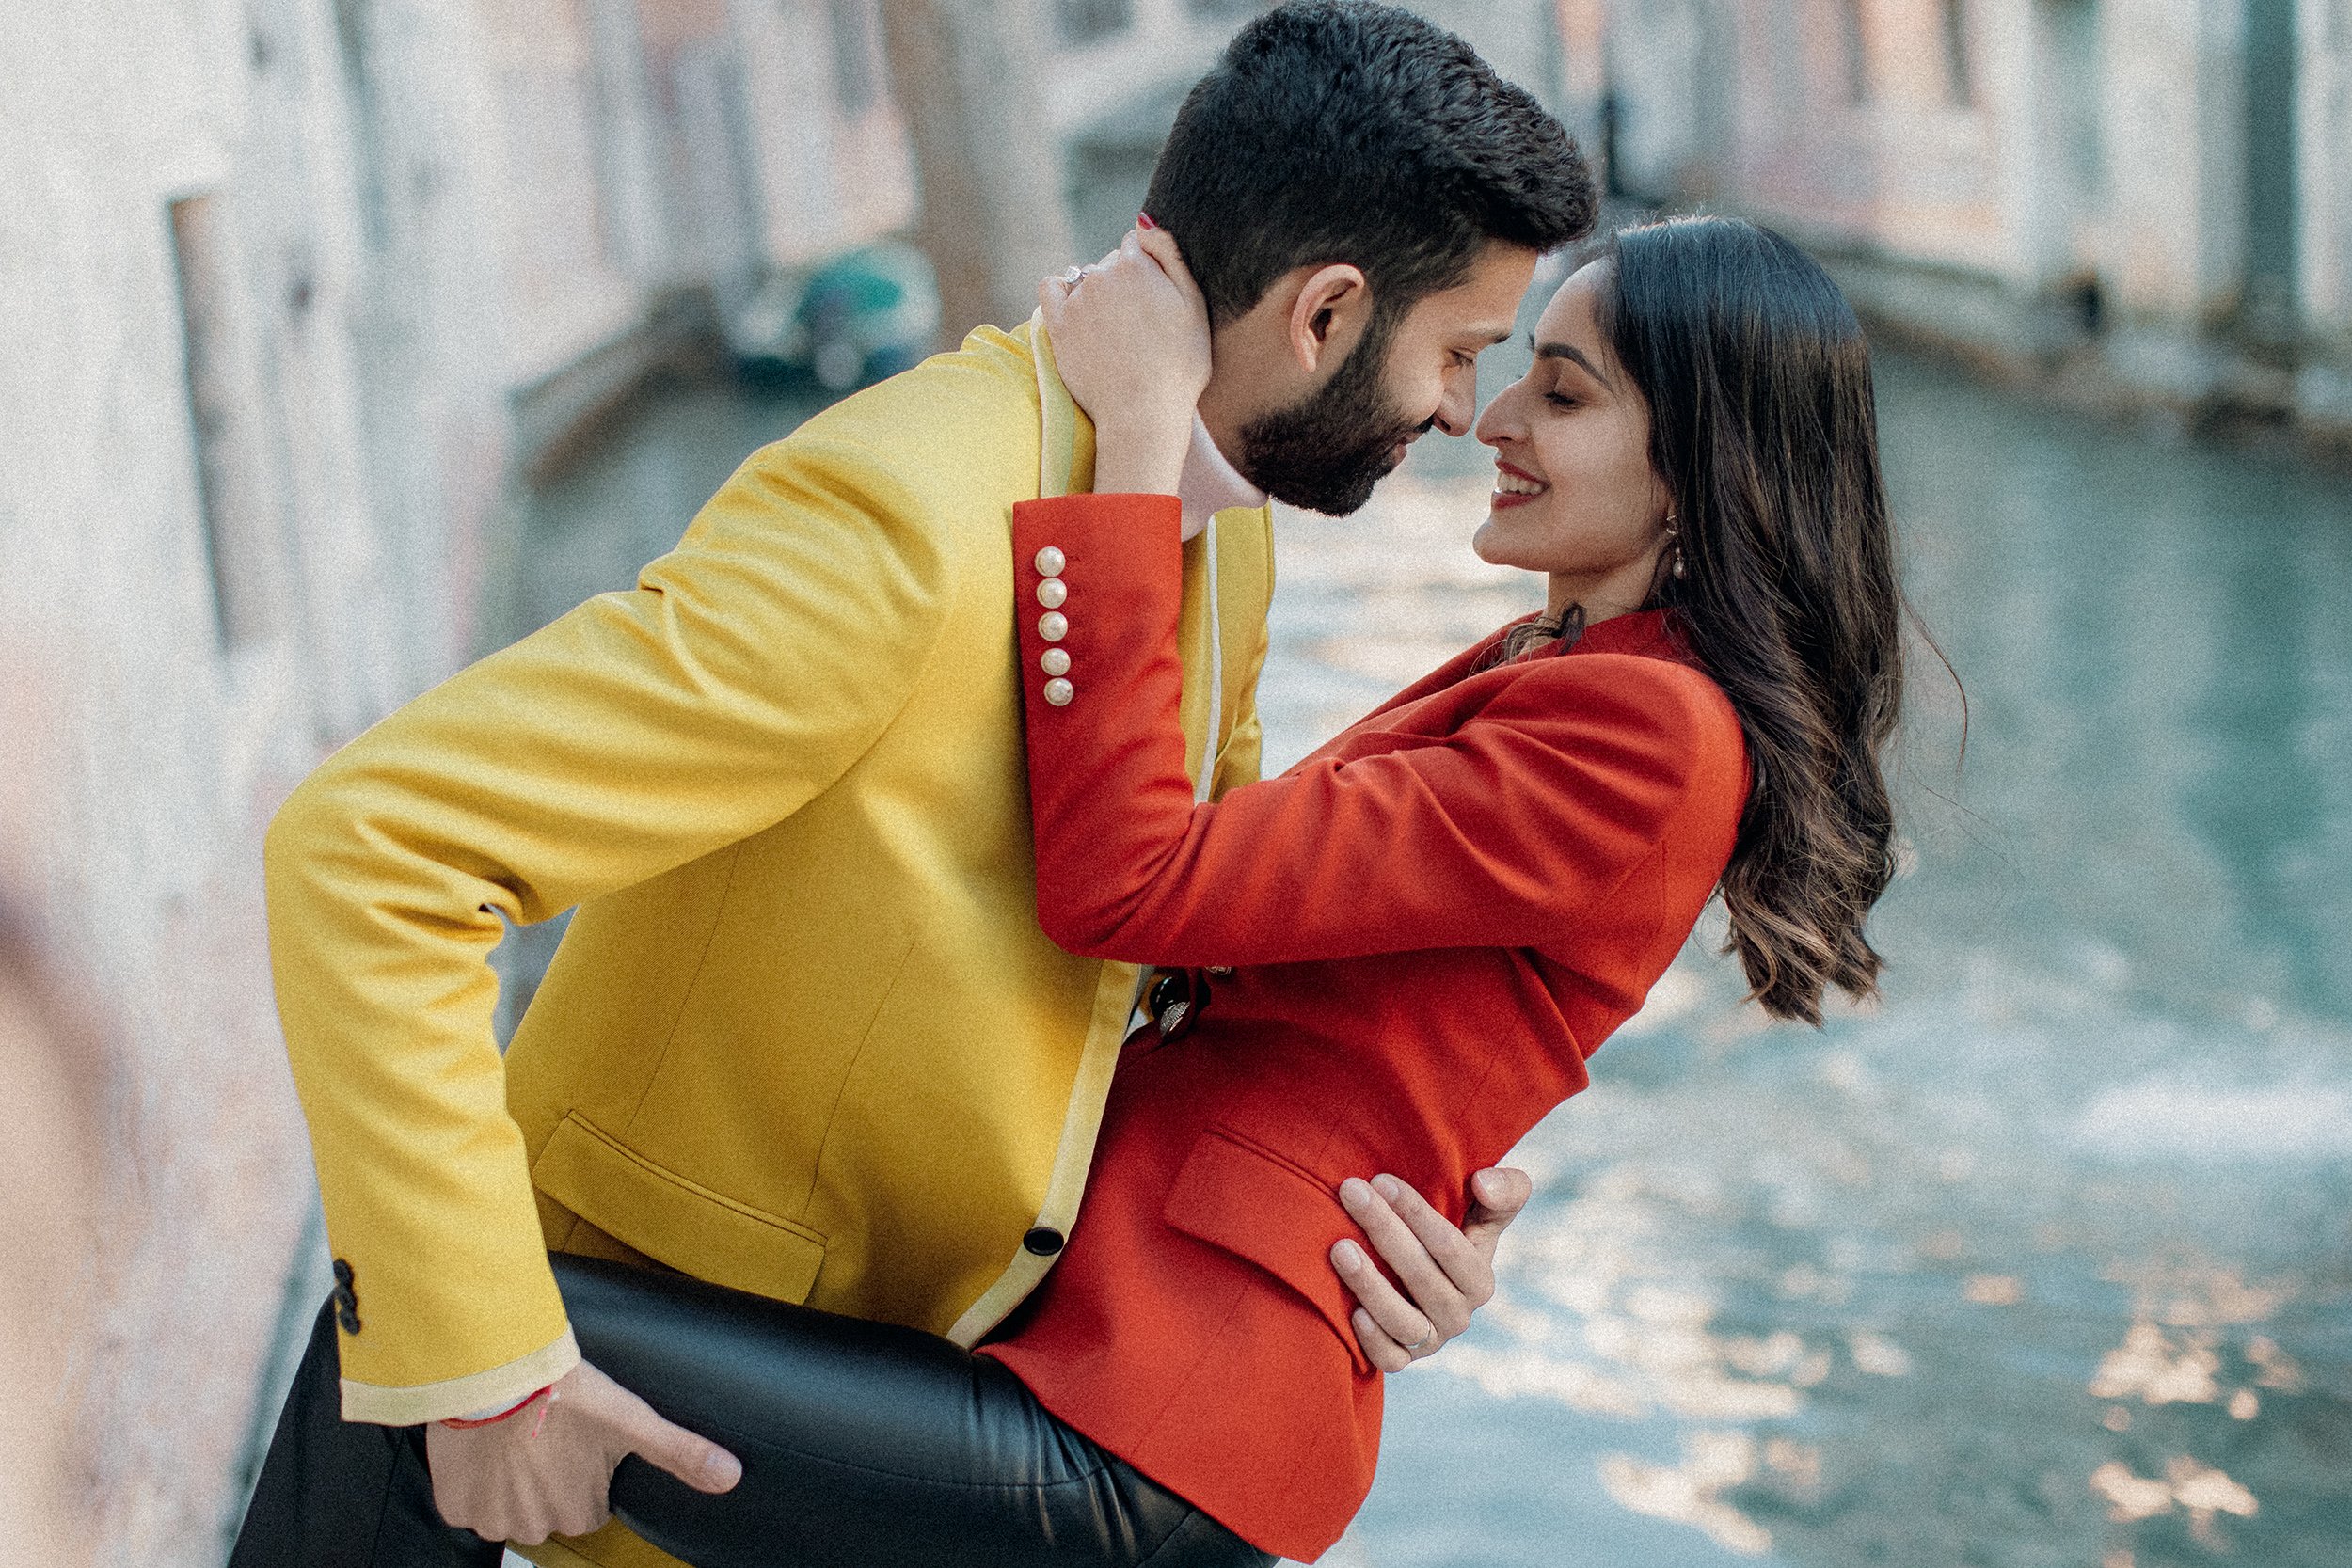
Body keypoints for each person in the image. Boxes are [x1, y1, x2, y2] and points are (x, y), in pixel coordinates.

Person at [280, 209, 1908, 1568]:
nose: (1492, 422)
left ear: (1700, 463)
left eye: (1557, 391)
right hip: (1122, 1362)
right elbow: (1306, 960)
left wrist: (1135, 455)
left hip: (1143, 1437)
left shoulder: (1650, 726)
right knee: (444, 1329)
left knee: (431, 1331)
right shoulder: (1584, 662)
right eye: (1503, 370)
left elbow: (1139, 879)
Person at [229, 6, 1595, 1565]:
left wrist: (1373, 1233)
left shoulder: (1227, 524)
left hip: (917, 1376)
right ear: (1327, 311)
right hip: (653, 1375)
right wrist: (481, 1376)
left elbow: (1166, 970)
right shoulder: (907, 524)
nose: (1455, 411)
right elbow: (369, 847)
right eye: (1461, 352)